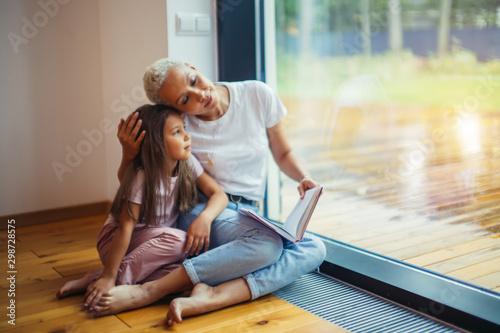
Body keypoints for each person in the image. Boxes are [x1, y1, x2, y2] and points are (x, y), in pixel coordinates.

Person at [91, 58, 326, 325]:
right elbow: (141, 181)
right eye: (184, 100)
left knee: (313, 248)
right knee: (267, 246)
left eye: (194, 81)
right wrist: (129, 154)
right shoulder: (181, 127)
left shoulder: (257, 94)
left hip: (248, 214)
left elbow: (283, 152)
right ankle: (153, 290)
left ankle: (215, 294)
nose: (200, 95)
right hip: (201, 211)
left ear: (193, 67)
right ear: (175, 108)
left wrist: (304, 177)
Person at [56, 104, 228, 312]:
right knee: (181, 240)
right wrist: (110, 276)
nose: (186, 136)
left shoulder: (187, 163)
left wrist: (205, 218)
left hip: (154, 246)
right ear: (156, 145)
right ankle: (113, 281)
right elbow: (125, 228)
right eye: (177, 132)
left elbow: (218, 194)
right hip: (116, 242)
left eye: (184, 128)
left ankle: (96, 278)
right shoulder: (141, 176)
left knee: (184, 274)